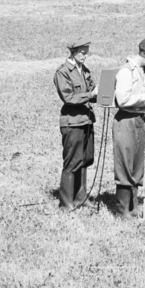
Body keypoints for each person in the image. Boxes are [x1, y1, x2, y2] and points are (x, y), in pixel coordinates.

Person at [113, 37, 145, 219]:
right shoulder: (126, 71)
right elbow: (123, 100)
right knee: (125, 164)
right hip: (125, 120)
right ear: (143, 53)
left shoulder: (144, 70)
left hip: (139, 119)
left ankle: (133, 207)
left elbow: (142, 94)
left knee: (137, 165)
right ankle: (122, 211)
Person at [53, 38, 98, 212]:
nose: (85, 56)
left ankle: (81, 198)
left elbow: (92, 92)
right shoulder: (63, 72)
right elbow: (69, 98)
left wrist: (104, 92)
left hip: (86, 120)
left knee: (85, 160)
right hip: (72, 122)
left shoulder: (84, 70)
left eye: (87, 53)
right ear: (73, 52)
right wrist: (91, 94)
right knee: (72, 161)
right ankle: (66, 203)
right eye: (82, 53)